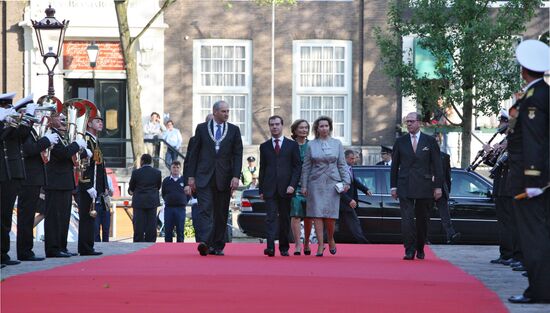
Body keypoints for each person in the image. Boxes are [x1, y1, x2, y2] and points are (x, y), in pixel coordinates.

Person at [507, 39, 550, 304]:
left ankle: (539, 290)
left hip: (531, 181)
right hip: (538, 179)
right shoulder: (539, 93)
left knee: (533, 237)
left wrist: (532, 178)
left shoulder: (535, 99)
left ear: (524, 69)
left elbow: (534, 140)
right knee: (538, 235)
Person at [186, 100, 243, 256]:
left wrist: (236, 176)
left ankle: (217, 245)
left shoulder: (233, 130)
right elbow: (194, 153)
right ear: (215, 112)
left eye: (227, 111)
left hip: (224, 178)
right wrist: (191, 176)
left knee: (220, 212)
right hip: (204, 176)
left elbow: (238, 154)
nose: (226, 114)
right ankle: (205, 242)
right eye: (223, 111)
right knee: (205, 209)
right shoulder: (202, 129)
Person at [390, 112, 443, 260]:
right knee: (406, 219)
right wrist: (393, 186)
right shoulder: (400, 141)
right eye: (407, 122)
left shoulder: (430, 141)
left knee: (422, 219)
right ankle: (409, 249)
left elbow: (437, 165)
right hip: (405, 185)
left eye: (412, 121)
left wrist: (437, 186)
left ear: (419, 122)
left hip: (424, 186)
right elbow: (394, 166)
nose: (409, 124)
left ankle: (420, 247)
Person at [301, 116, 350, 257]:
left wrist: (346, 181)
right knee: (316, 214)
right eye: (321, 126)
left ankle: (331, 238)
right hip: (315, 182)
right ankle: (321, 245)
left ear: (330, 127)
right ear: (317, 128)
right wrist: (304, 185)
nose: (324, 128)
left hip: (333, 182)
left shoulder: (337, 143)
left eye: (326, 126)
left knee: (330, 216)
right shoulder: (311, 145)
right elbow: (306, 166)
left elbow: (342, 164)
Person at [17, 108, 59, 261]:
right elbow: (29, 150)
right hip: (28, 179)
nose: (40, 117)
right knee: (26, 216)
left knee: (28, 217)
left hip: (35, 179)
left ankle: (27, 250)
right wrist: (46, 141)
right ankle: (24, 251)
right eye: (36, 113)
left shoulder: (33, 131)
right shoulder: (26, 132)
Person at [44, 112, 87, 258]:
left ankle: (62, 246)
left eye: (63, 117)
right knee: (54, 218)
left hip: (65, 182)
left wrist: (81, 151)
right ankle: (53, 248)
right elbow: (62, 154)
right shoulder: (51, 134)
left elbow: (69, 155)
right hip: (55, 182)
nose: (63, 119)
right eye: (58, 117)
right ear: (51, 120)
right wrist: (76, 144)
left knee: (63, 217)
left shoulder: (62, 135)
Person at [0, 93, 37, 266]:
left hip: (12, 173)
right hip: (3, 173)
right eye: (5, 108)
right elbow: (3, 136)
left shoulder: (8, 122)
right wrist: (6, 120)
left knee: (6, 216)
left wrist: (28, 118)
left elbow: (21, 135)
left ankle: (3, 254)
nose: (8, 111)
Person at [258, 115, 301, 257]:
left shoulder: (292, 145)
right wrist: (261, 189)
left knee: (284, 218)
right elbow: (262, 168)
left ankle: (284, 247)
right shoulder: (264, 147)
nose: (274, 127)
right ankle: (270, 247)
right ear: (269, 127)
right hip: (270, 189)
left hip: (286, 189)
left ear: (282, 126)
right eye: (272, 124)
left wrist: (292, 185)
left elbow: (297, 167)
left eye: (277, 124)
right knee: (270, 218)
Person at [77, 112, 107, 256]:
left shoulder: (95, 140)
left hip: (95, 185)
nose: (100, 122)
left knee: (90, 218)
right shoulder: (86, 140)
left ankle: (88, 246)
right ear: (88, 123)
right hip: (87, 185)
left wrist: (104, 185)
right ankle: (85, 247)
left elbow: (100, 165)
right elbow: (84, 166)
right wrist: (88, 185)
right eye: (97, 120)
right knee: (86, 217)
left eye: (101, 120)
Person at [183, 113, 213, 244]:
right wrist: (187, 183)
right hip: (200, 181)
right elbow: (189, 161)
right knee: (203, 211)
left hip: (218, 181)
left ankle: (215, 242)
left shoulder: (224, 137)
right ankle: (203, 241)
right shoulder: (195, 139)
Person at [289, 119, 312, 255]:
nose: (304, 130)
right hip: (294, 185)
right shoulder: (290, 146)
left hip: (310, 185)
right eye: (301, 128)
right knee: (296, 215)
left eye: (306, 128)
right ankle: (297, 244)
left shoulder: (312, 145)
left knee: (309, 216)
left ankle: (307, 243)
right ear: (295, 130)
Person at [433, 133, 460, 244]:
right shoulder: (424, 155)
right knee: (424, 215)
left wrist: (447, 190)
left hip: (441, 189)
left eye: (438, 141)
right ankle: (423, 238)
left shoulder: (445, 156)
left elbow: (447, 176)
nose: (436, 143)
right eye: (434, 141)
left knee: (445, 215)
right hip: (427, 189)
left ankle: (451, 235)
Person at [128, 154, 162, 242]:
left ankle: (138, 242)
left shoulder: (136, 172)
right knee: (151, 223)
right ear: (151, 162)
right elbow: (158, 186)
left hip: (139, 201)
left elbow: (132, 187)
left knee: (139, 224)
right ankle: (150, 242)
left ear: (142, 161)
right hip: (152, 200)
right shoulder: (157, 172)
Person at [339, 150, 370, 244]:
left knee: (332, 225)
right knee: (354, 224)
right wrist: (349, 200)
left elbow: (354, 181)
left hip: (345, 202)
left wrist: (365, 189)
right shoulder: (340, 169)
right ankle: (364, 243)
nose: (353, 160)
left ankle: (320, 241)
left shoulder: (349, 168)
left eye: (354, 158)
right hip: (343, 202)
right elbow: (338, 187)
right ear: (345, 158)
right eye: (351, 158)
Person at [161, 161, 187, 242]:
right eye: (174, 167)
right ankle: (168, 250)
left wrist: (184, 200)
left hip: (180, 209)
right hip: (169, 208)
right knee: (168, 230)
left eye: (177, 167)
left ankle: (180, 249)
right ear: (170, 169)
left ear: (180, 169)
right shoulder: (166, 180)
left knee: (180, 230)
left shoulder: (184, 180)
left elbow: (188, 194)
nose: (175, 169)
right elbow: (163, 193)